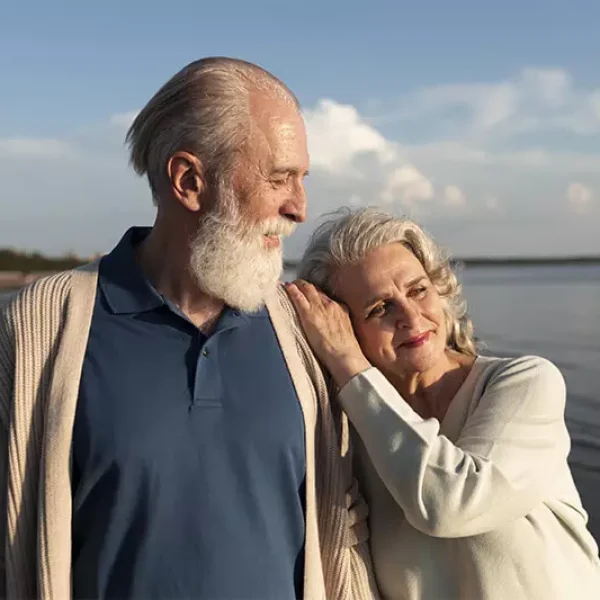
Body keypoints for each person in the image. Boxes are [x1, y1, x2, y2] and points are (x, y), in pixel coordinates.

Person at [0, 58, 379, 600]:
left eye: (302, 178)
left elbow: (347, 531)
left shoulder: (306, 329)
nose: (299, 207)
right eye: (279, 178)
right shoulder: (43, 326)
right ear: (189, 181)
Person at [288, 207, 600, 599]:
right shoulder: (352, 439)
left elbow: (452, 501)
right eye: (379, 308)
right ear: (342, 326)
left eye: (418, 290)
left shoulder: (522, 383)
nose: (410, 316)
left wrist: (348, 361)